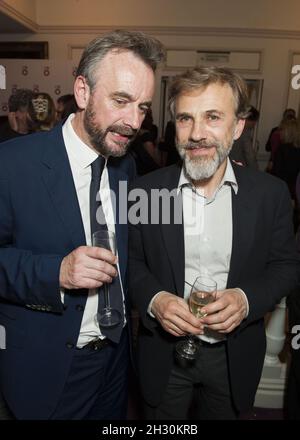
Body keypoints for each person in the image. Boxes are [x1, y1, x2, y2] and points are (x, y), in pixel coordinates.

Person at [0, 29, 164, 420]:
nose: (133, 121)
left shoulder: (125, 165)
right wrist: (56, 272)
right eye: (121, 101)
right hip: (47, 366)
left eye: (142, 107)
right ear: (82, 91)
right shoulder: (12, 164)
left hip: (114, 362)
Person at [128, 66, 300, 420]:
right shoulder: (147, 191)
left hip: (232, 358)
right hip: (164, 356)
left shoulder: (270, 194)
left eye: (213, 117)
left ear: (238, 126)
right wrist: (155, 299)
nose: (197, 134)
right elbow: (130, 262)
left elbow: (286, 266)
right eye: (185, 119)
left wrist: (247, 299)